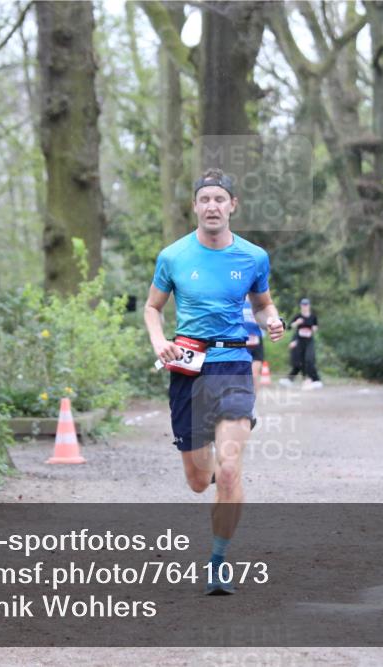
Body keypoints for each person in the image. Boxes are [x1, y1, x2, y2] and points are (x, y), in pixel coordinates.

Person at [144, 168, 285, 595]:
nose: (212, 206)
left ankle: (218, 561)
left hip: (234, 366)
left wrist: (272, 319)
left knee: (228, 470)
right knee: (197, 479)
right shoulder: (173, 256)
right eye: (204, 199)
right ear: (195, 206)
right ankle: (211, 474)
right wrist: (158, 342)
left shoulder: (253, 257)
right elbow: (153, 308)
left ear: (232, 206)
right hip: (188, 367)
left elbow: (262, 304)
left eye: (219, 199)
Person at [280, 297, 323, 389]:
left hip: (309, 341)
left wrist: (314, 329)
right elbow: (289, 327)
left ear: (309, 306)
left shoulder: (313, 317)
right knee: (298, 362)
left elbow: (315, 328)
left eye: (306, 305)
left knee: (309, 359)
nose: (305, 307)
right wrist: (296, 323)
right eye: (303, 305)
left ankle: (315, 380)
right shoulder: (298, 316)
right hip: (299, 341)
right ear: (301, 306)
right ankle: (296, 380)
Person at [242, 295, 265, 391]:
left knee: (255, 375)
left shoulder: (259, 303)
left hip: (256, 342)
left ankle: (252, 402)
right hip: (241, 343)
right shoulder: (238, 301)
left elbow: (265, 321)